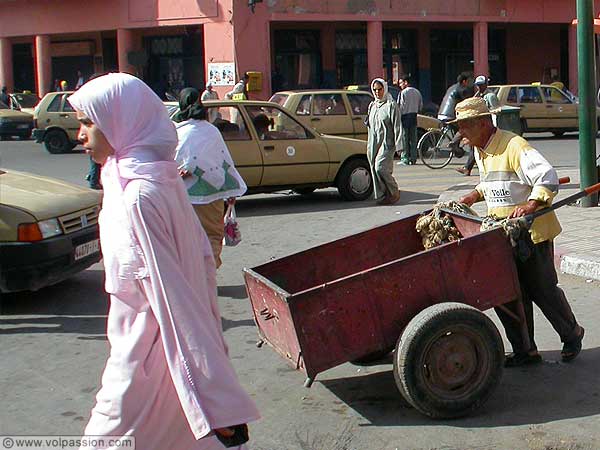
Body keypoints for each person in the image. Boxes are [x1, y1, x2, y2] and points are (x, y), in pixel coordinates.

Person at [68, 73, 259, 450]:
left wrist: (215, 391)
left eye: (89, 123)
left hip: (147, 355)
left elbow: (177, 296)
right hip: (140, 344)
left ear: (121, 122)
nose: (81, 135)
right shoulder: (132, 178)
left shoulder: (141, 194)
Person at [456, 97, 585, 368]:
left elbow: (547, 176)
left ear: (482, 123)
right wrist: (472, 196)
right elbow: (492, 184)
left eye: (465, 126)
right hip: (501, 235)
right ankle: (525, 350)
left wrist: (531, 204)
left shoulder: (514, 145)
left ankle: (572, 334)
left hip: (532, 232)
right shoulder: (482, 150)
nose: (461, 134)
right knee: (508, 295)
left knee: (542, 290)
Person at [173, 87, 247, 268]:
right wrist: (231, 191)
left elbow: (168, 163)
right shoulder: (212, 131)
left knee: (187, 239)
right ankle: (207, 274)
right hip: (213, 194)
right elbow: (223, 161)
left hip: (185, 197)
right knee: (212, 237)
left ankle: (196, 276)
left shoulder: (177, 132)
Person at [366, 78, 402, 205]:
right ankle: (384, 194)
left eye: (379, 89)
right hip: (374, 142)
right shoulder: (372, 106)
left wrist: (399, 146)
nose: (377, 92)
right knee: (373, 167)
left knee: (380, 167)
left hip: (387, 143)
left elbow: (397, 126)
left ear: (385, 89)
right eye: (374, 90)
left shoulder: (391, 105)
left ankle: (394, 191)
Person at [455, 75, 500, 176]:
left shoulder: (490, 96)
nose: (479, 87)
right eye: (478, 85)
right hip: (477, 126)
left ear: (486, 85)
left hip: (486, 126)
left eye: (481, 85)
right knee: (474, 146)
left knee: (477, 146)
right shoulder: (478, 95)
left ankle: (468, 168)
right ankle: (467, 168)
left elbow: (496, 111)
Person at [397, 74, 423, 165]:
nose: (400, 85)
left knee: (404, 139)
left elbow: (400, 106)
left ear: (406, 82)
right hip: (414, 116)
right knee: (413, 139)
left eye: (401, 83)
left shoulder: (403, 93)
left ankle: (405, 158)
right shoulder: (417, 92)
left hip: (404, 117)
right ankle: (413, 158)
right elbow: (420, 106)